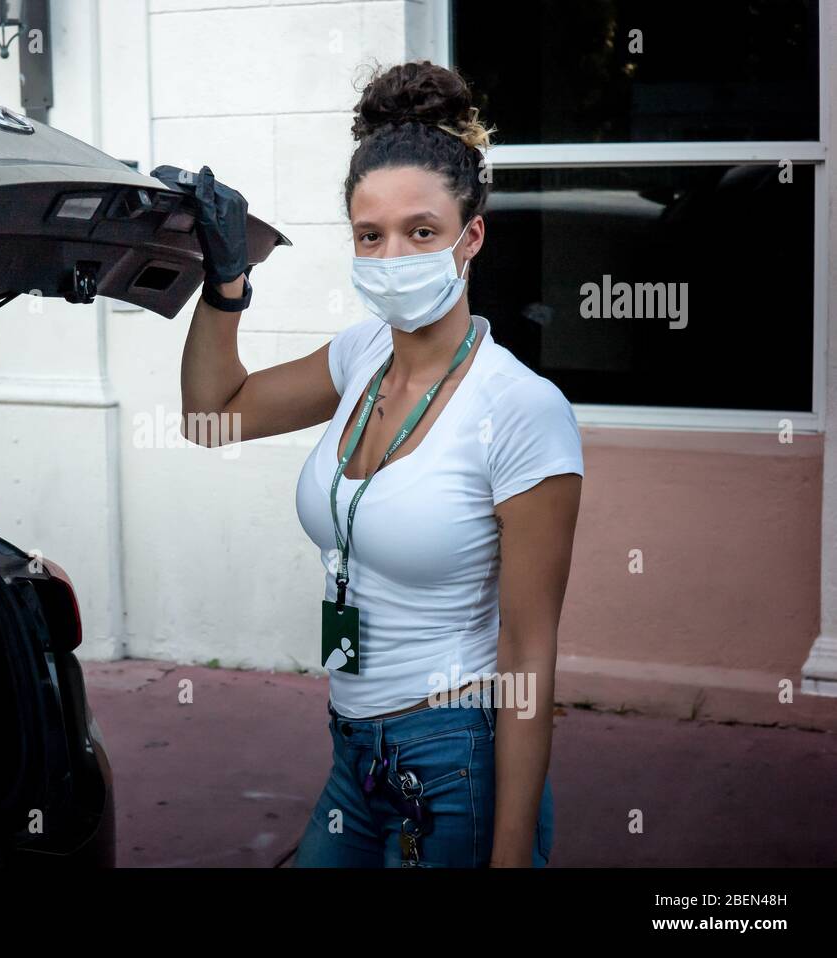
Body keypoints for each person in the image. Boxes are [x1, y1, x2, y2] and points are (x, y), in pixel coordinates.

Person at [160, 59, 583, 867]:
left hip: (454, 756)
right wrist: (224, 287)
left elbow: (530, 657)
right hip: (353, 747)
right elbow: (210, 420)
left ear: (472, 235)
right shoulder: (361, 357)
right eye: (370, 235)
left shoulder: (521, 410)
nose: (393, 256)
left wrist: (510, 856)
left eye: (421, 232)